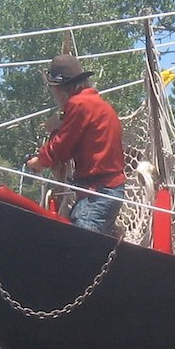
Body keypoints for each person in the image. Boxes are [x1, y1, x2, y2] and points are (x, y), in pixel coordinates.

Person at [24, 54, 126, 236]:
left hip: (98, 193)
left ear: (61, 88)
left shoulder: (78, 104)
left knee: (81, 245)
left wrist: (39, 161)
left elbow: (62, 146)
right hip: (110, 189)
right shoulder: (100, 105)